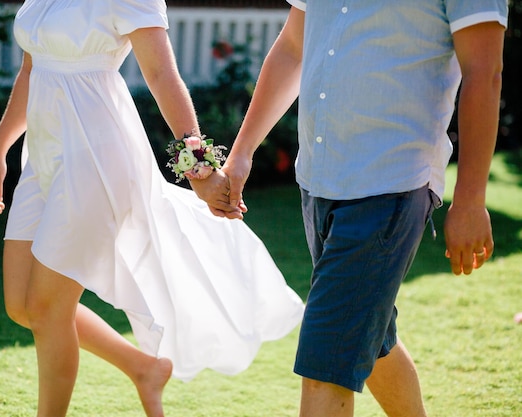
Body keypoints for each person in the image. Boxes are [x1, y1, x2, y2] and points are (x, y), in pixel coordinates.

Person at [0, 1, 304, 416]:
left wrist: (199, 169)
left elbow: (161, 74)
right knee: (21, 305)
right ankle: (143, 368)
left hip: (96, 161)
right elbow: (31, 69)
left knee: (45, 310)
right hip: (43, 160)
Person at [214, 1, 508, 416]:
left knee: (326, 362)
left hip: (391, 182)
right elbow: (292, 48)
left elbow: (484, 73)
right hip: (318, 179)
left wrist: (471, 200)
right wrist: (242, 152)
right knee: (371, 338)